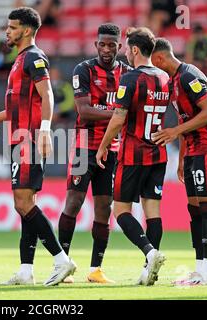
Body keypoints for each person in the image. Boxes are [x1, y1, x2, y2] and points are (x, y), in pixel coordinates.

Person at [0, 7, 76, 286]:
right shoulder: (19, 60)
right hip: (19, 137)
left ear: (27, 30)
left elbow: (48, 95)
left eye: (13, 27)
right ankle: (25, 269)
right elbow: (12, 109)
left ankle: (61, 260)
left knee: (22, 203)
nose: (7, 31)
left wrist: (44, 130)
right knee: (26, 204)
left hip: (29, 138)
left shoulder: (33, 57)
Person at [57, 23, 131, 284]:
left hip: (112, 149)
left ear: (119, 46)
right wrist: (119, 114)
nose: (107, 49)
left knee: (104, 207)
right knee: (74, 203)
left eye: (112, 44)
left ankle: (95, 269)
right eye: (103, 44)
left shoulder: (128, 73)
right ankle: (62, 265)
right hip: (83, 147)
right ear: (96, 44)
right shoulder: (84, 70)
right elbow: (84, 111)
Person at [151, 38, 207, 285]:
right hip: (194, 149)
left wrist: (174, 131)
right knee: (194, 210)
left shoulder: (189, 76)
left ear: (160, 58)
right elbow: (188, 118)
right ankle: (198, 271)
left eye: (153, 63)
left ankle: (206, 274)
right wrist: (182, 155)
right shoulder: (173, 82)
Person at [95, 27, 169, 286]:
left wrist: (103, 146)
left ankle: (150, 252)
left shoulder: (130, 79)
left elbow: (118, 118)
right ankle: (149, 270)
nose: (125, 52)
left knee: (121, 210)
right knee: (153, 211)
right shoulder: (163, 77)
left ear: (135, 50)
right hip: (158, 152)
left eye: (127, 48)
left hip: (133, 153)